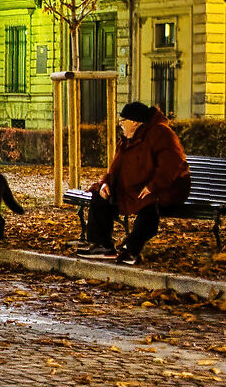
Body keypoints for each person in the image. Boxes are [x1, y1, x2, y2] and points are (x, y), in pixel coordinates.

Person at [76, 101, 190, 265]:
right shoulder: (128, 139)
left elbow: (173, 164)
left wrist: (153, 185)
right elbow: (116, 167)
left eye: (123, 121)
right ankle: (102, 246)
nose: (120, 124)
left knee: (148, 204)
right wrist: (106, 182)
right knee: (101, 195)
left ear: (135, 122)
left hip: (166, 188)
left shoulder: (161, 133)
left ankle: (131, 249)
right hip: (135, 188)